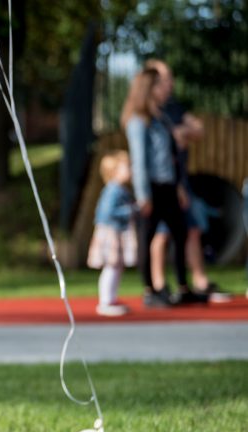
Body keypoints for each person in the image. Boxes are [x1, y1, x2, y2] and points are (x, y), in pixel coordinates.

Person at [145, 60, 230, 302]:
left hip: (179, 179)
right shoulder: (149, 112)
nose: (170, 84)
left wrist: (181, 132)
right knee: (161, 234)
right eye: (165, 79)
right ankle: (158, 285)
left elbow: (198, 130)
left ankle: (198, 281)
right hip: (164, 183)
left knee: (191, 229)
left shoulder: (173, 108)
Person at [122, 67, 203, 308]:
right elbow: (139, 160)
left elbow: (170, 155)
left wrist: (178, 185)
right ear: (148, 89)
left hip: (168, 185)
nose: (164, 88)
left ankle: (182, 287)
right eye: (158, 85)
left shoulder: (162, 118)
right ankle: (150, 290)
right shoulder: (139, 120)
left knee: (180, 233)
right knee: (147, 237)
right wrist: (143, 195)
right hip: (152, 187)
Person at [87, 151, 137, 317]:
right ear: (114, 172)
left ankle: (111, 298)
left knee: (116, 266)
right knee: (112, 265)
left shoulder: (120, 190)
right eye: (127, 167)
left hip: (115, 231)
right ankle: (105, 301)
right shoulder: (113, 190)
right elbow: (107, 212)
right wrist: (131, 210)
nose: (131, 170)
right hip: (110, 232)